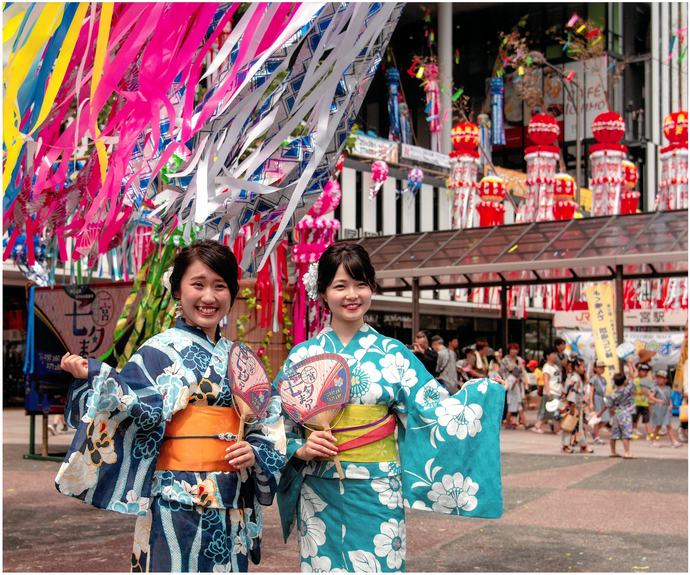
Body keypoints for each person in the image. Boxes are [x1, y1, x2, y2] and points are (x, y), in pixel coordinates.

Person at [57, 240, 286, 572]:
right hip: (175, 498)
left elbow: (268, 419)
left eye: (219, 286)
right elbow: (133, 404)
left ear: (232, 293)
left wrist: (254, 450)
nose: (209, 297)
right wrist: (95, 376)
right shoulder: (159, 350)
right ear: (178, 290)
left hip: (231, 497)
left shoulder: (242, 358)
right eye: (198, 284)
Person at [276, 243, 504, 573]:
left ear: (372, 287)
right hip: (319, 488)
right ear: (323, 292)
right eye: (340, 286)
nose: (352, 295)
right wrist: (300, 447)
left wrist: (482, 397)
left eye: (361, 284)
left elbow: (435, 413)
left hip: (378, 488)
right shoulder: (302, 356)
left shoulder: (393, 354)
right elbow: (273, 423)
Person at [560, 357, 593, 454]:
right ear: (576, 367)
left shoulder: (576, 377)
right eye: (582, 366)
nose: (584, 368)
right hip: (573, 407)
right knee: (570, 426)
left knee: (578, 427)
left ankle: (582, 446)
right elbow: (571, 396)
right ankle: (569, 446)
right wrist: (573, 410)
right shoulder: (575, 379)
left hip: (576, 406)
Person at [601, 369, 635, 459]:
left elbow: (607, 405)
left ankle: (613, 451)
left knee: (614, 434)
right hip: (626, 414)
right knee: (626, 434)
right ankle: (627, 452)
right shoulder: (628, 390)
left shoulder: (613, 394)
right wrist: (631, 366)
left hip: (616, 415)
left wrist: (599, 413)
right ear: (624, 381)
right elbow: (633, 377)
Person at [649, 370, 683, 448]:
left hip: (666, 408)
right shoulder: (655, 388)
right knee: (659, 425)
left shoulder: (668, 388)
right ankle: (671, 441)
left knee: (667, 425)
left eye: (661, 378)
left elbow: (669, 398)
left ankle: (673, 441)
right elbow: (651, 396)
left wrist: (671, 405)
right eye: (658, 378)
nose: (658, 379)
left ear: (666, 380)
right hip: (659, 408)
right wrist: (658, 400)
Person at [532, 348, 562, 434]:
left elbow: (558, 379)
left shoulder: (555, 366)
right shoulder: (547, 367)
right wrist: (548, 392)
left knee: (550, 411)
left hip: (557, 391)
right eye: (553, 354)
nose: (555, 356)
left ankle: (538, 426)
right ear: (548, 356)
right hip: (551, 392)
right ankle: (555, 429)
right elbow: (546, 380)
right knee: (551, 410)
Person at [500, 344, 527, 430]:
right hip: (510, 383)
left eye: (515, 349)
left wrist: (523, 380)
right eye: (512, 349)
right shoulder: (505, 360)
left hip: (518, 384)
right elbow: (503, 373)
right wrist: (507, 382)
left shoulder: (519, 360)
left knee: (518, 405)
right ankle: (509, 422)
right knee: (511, 406)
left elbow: (522, 371)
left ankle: (519, 422)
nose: (514, 351)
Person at [632, 363, 655, 441]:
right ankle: (633, 432)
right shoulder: (635, 380)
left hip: (645, 403)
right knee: (634, 418)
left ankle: (649, 433)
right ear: (639, 371)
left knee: (646, 419)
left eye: (646, 371)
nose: (644, 372)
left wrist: (651, 397)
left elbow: (652, 391)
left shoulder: (650, 381)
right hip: (635, 403)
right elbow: (631, 391)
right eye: (642, 371)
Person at [589, 361, 610, 444]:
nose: (602, 369)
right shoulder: (594, 379)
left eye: (603, 368)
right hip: (596, 398)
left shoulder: (603, 379)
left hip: (602, 398)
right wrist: (591, 402)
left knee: (606, 419)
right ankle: (596, 437)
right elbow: (591, 391)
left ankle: (595, 432)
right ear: (595, 368)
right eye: (600, 367)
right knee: (597, 418)